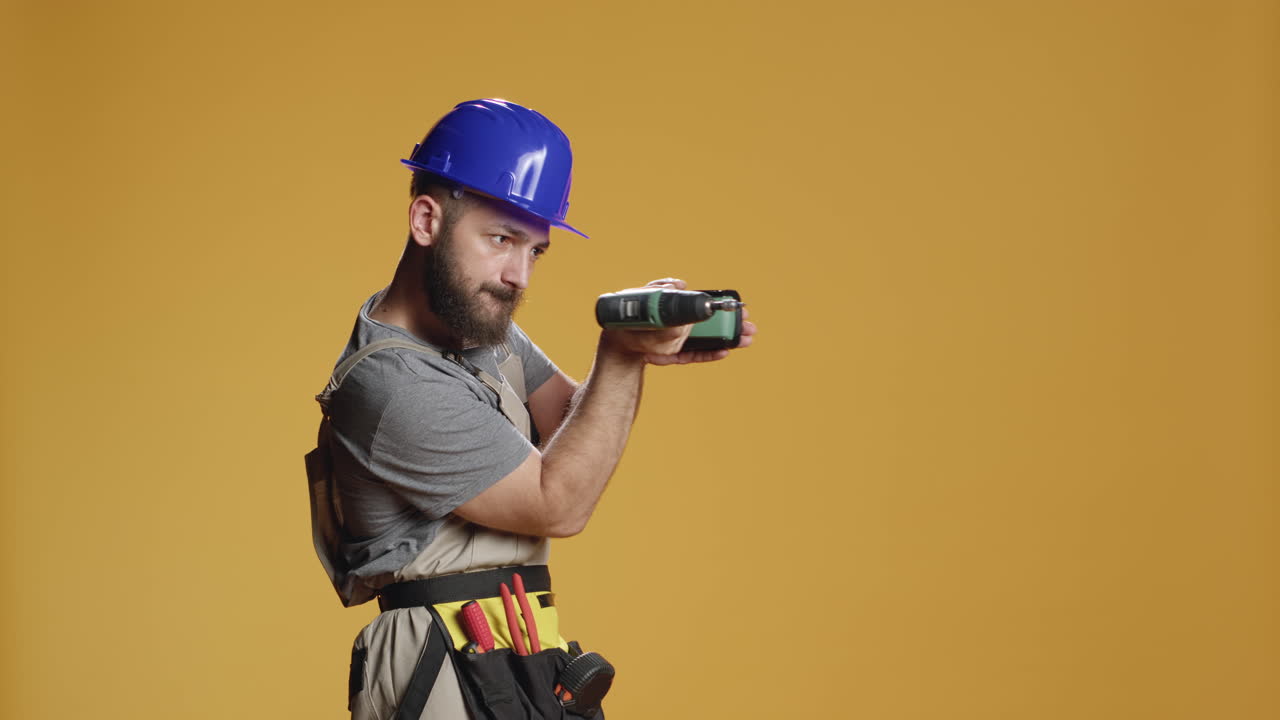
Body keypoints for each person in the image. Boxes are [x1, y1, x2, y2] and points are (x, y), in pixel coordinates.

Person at [306, 98, 755, 719]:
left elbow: (573, 416)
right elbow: (561, 500)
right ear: (426, 220)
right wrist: (619, 359)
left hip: (516, 648)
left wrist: (641, 348)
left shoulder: (478, 328)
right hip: (438, 663)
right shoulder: (389, 382)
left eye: (535, 251)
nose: (520, 275)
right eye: (501, 239)